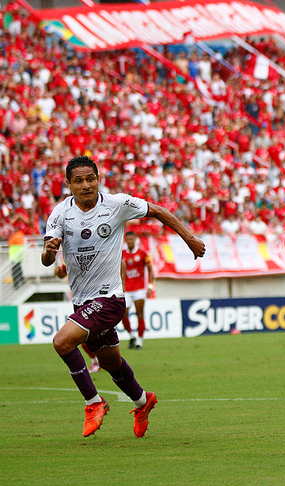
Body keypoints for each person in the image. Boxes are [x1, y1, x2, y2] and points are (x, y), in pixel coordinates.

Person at [42, 156, 205, 437]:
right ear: (68, 183)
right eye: (78, 181)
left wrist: (189, 238)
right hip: (83, 302)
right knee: (109, 362)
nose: (85, 185)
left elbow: (157, 210)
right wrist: (50, 250)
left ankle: (94, 403)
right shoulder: (59, 214)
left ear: (98, 178)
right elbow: (46, 260)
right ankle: (143, 401)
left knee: (62, 342)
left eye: (90, 179)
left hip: (110, 299)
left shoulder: (116, 204)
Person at [54, 262, 101, 373]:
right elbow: (62, 273)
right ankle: (98, 361)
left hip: (97, 301)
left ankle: (98, 362)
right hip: (80, 302)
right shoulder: (74, 256)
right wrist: (58, 271)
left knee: (84, 337)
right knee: (85, 338)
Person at [120, 231, 155, 349]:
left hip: (139, 289)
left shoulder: (143, 253)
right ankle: (131, 335)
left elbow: (151, 271)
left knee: (140, 314)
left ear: (135, 239)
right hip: (126, 290)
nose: (129, 241)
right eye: (127, 239)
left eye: (131, 239)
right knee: (122, 315)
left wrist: (150, 286)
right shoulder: (122, 254)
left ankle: (139, 341)